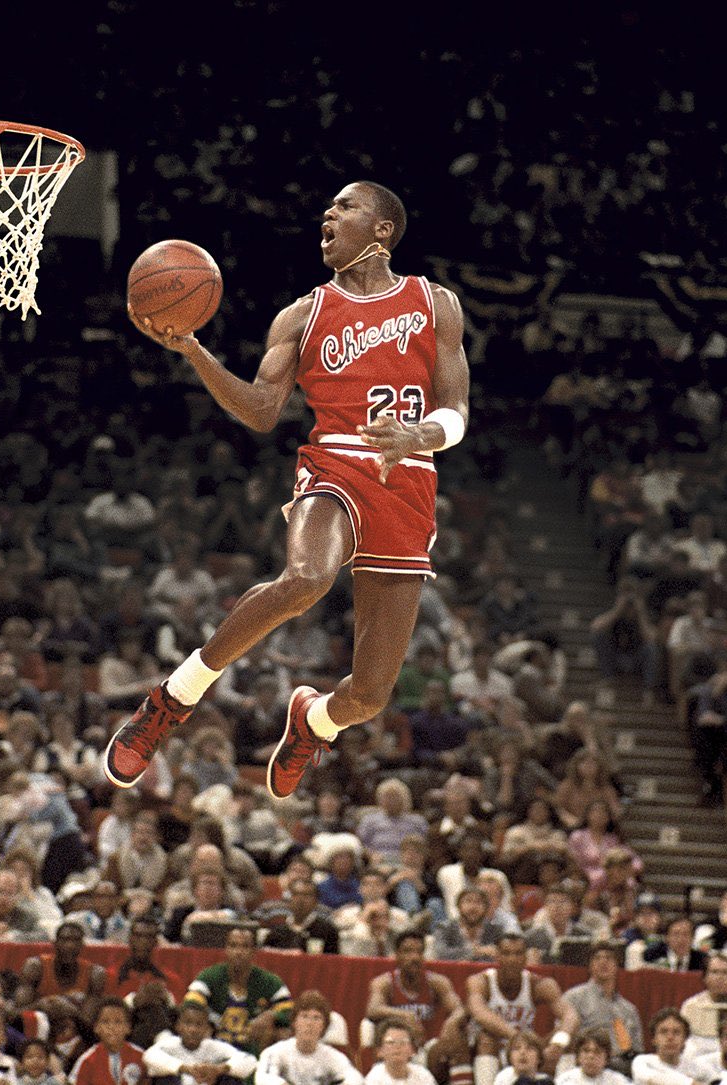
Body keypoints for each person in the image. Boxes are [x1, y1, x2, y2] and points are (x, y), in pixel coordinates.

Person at [105, 180, 470, 801]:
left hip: (409, 476)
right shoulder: (302, 316)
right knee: (306, 578)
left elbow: (458, 410)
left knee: (370, 694)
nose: (328, 212)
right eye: (327, 205)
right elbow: (259, 410)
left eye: (346, 205)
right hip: (336, 465)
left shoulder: (434, 303)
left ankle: (313, 721)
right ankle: (172, 699)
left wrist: (417, 436)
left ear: (383, 230)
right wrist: (193, 349)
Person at [465, 934, 578, 1085]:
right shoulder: (481, 981)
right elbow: (480, 1014)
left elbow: (571, 1016)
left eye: (518, 954)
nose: (512, 959)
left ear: (526, 957)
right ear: (497, 956)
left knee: (566, 1039)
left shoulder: (539, 984)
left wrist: (558, 1043)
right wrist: (518, 1039)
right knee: (487, 1039)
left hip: (526, 1052)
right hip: (495, 1049)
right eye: (506, 953)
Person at [184, 926, 292, 1054]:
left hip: (252, 1046)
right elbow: (190, 1003)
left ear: (254, 951)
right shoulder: (209, 976)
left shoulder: (269, 980)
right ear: (226, 949)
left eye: (245, 946)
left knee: (283, 1033)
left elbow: (290, 1011)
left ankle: (262, 1066)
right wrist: (207, 1021)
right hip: (214, 1045)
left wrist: (272, 1016)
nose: (238, 952)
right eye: (233, 946)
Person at [365, 931, 465, 1049]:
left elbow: (460, 1010)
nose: (415, 957)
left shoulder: (437, 982)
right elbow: (372, 1010)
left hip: (428, 1047)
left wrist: (453, 1021)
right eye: (408, 951)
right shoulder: (384, 982)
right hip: (395, 1049)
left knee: (458, 1043)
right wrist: (405, 1015)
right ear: (397, 955)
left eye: (419, 952)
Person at [562, 942, 642, 1074]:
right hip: (587, 1063)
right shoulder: (574, 998)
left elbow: (636, 1050)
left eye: (609, 958)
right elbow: (566, 1039)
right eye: (597, 958)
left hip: (623, 1068)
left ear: (617, 966)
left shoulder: (629, 1009)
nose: (603, 962)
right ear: (590, 965)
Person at [255, 990, 363, 1085]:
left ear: (324, 1026)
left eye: (317, 1018)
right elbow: (263, 1078)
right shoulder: (275, 1052)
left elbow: (355, 1079)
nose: (309, 1023)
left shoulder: (332, 1057)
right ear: (294, 1022)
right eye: (304, 1016)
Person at [142, 999, 257, 1083]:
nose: (193, 1029)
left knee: (230, 1079)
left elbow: (249, 1060)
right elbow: (149, 1056)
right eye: (188, 1023)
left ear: (207, 1029)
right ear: (178, 1026)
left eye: (199, 1024)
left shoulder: (213, 1046)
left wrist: (218, 1069)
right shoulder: (169, 1044)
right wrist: (186, 1069)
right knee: (163, 1078)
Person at [13, 923, 106, 1020]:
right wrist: (40, 1006)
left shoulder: (94, 974)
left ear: (82, 945)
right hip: (39, 1027)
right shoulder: (35, 967)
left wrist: (68, 1009)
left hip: (74, 1031)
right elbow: (17, 1015)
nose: (70, 945)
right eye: (65, 940)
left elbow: (88, 1022)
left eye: (76, 941)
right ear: (54, 943)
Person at [68, 997, 144, 1085]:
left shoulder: (140, 1056)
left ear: (128, 1028)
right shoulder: (87, 1061)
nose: (111, 1027)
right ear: (96, 1027)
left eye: (118, 1022)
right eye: (105, 1022)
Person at [631, 1008, 706, 1085]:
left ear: (685, 1040)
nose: (670, 1037)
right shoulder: (642, 1061)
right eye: (663, 1032)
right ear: (654, 1039)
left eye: (676, 1032)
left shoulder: (695, 1067)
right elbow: (657, 1079)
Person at [680, 952, 727, 1060]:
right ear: (705, 978)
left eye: (725, 973)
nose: (720, 978)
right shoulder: (691, 1006)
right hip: (700, 1060)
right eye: (715, 972)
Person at [364, 1019, 438, 1085]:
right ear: (379, 1051)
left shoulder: (423, 1075)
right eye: (391, 1042)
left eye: (403, 1042)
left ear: (412, 1050)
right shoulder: (374, 1079)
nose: (397, 1047)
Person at [556, 1028, 631, 1085]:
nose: (591, 1056)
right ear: (578, 1056)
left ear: (607, 1058)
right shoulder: (565, 1081)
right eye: (586, 1050)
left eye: (597, 1052)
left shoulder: (618, 1081)